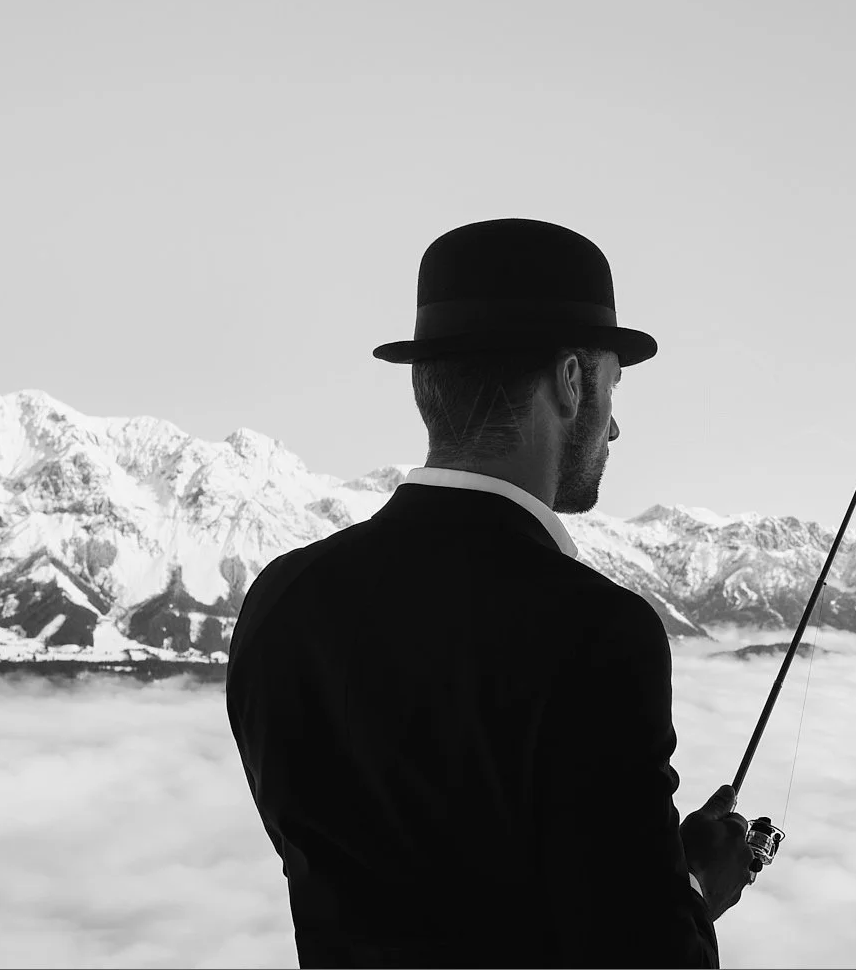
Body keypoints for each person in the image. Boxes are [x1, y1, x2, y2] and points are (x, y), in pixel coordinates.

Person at [226, 219, 756, 968]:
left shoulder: (280, 602)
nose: (615, 427)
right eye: (610, 384)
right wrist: (694, 885)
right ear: (572, 382)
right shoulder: (598, 633)